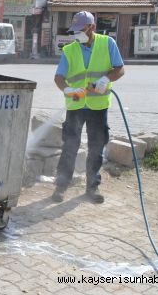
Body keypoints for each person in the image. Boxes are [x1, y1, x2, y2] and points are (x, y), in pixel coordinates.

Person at [51, 11, 125, 204]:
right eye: (74, 31)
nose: (77, 35)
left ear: (91, 27)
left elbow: (119, 68)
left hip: (98, 107)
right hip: (75, 105)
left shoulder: (108, 44)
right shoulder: (70, 50)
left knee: (96, 148)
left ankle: (92, 187)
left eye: (80, 30)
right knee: (70, 146)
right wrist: (67, 89)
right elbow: (59, 77)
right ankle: (60, 187)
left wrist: (106, 78)